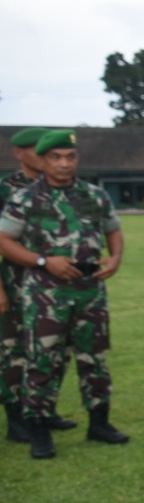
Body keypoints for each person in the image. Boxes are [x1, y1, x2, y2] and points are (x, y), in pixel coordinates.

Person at [0, 129, 128, 459]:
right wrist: (44, 261)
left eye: (70, 157)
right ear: (42, 161)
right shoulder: (25, 198)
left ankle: (99, 422)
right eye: (56, 158)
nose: (64, 164)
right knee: (42, 362)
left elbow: (113, 230)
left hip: (89, 292)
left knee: (94, 360)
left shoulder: (94, 195)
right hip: (45, 294)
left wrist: (114, 259)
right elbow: (4, 240)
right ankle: (39, 431)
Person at [1, 127, 55, 442]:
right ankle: (15, 417)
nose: (42, 153)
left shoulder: (55, 188)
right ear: (19, 153)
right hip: (15, 281)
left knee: (50, 350)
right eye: (35, 149)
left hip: (52, 285)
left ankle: (44, 410)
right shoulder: (6, 189)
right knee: (14, 349)